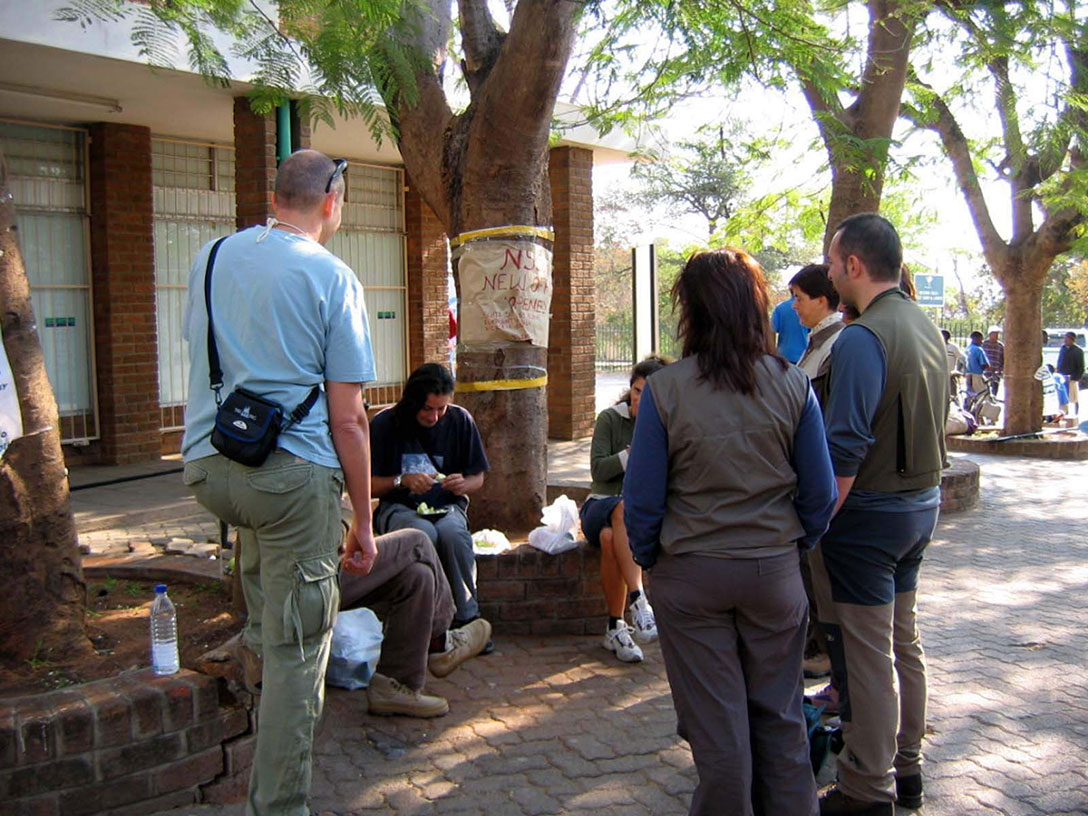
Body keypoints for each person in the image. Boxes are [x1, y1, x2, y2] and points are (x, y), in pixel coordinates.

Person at [181, 150, 377, 816]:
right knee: (300, 648)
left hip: (210, 466)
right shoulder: (332, 276)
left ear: (274, 198)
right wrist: (364, 520)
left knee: (272, 607)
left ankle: (258, 653)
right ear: (331, 202)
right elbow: (349, 418)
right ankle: (280, 806)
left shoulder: (211, 256)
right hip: (290, 478)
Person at [624, 248, 837, 816]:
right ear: (755, 307)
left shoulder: (666, 390)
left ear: (691, 311)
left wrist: (652, 560)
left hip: (690, 575)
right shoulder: (793, 384)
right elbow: (819, 495)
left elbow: (641, 501)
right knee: (781, 720)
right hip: (773, 575)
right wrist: (791, 547)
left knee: (719, 732)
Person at [814, 213, 949, 815]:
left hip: (868, 518)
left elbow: (845, 448)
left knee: (867, 655)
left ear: (854, 265)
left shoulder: (862, 338)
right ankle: (908, 767)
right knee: (903, 641)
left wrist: (816, 522)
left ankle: (867, 788)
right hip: (921, 508)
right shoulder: (925, 325)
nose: (829, 272)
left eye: (832, 261)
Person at [370, 363, 490, 630]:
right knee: (422, 535)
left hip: (448, 507)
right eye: (427, 409)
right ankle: (429, 623)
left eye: (441, 408)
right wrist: (401, 481)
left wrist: (463, 484)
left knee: (453, 535)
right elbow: (366, 487)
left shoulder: (460, 420)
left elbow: (478, 478)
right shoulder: (384, 424)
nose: (434, 417)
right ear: (412, 402)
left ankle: (468, 617)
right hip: (400, 509)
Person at [338, 528, 491, 717]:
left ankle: (393, 685)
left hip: (326, 561)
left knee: (418, 576)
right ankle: (441, 643)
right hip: (314, 578)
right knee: (418, 541)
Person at [580, 356, 668, 663]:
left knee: (610, 539)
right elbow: (598, 470)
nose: (640, 398)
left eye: (649, 393)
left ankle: (615, 627)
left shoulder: (666, 426)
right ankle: (639, 599)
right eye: (637, 390)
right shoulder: (611, 419)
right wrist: (632, 455)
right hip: (600, 504)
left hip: (633, 518)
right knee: (620, 508)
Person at [790, 263, 844, 403]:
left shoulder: (835, 344)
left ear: (821, 301)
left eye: (799, 298)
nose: (794, 305)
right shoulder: (820, 339)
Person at [773, 294, 811, 364]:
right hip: (802, 356)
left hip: (783, 357)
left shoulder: (780, 308)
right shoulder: (808, 308)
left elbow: (772, 331)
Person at [1057, 331, 1084, 417]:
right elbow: (1060, 361)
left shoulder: (1078, 351)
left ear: (1072, 339)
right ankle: (1064, 413)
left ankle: (1076, 413)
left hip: (1072, 377)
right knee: (1063, 396)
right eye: (1065, 338)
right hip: (1062, 376)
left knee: (1073, 397)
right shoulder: (1063, 349)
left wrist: (1075, 378)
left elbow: (1081, 367)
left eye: (1067, 338)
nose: (1065, 340)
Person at [964, 330, 990, 400]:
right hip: (977, 376)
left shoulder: (967, 349)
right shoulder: (978, 350)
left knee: (970, 396)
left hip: (968, 375)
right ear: (977, 339)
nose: (982, 342)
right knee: (982, 396)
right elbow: (984, 364)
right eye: (981, 339)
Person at [940, 330, 964, 401]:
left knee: (952, 395)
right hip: (939, 375)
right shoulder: (936, 347)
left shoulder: (953, 347)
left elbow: (961, 359)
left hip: (950, 375)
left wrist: (957, 370)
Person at [982, 326, 1004, 394]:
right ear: (990, 334)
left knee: (994, 392)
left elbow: (1003, 359)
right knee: (983, 391)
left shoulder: (1000, 346)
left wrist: (1000, 369)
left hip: (995, 373)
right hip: (984, 372)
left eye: (998, 334)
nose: (997, 335)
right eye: (995, 334)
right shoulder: (983, 344)